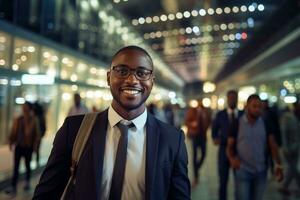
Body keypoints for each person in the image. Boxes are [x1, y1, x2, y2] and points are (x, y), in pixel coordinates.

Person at [33, 46, 190, 200]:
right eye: (122, 71)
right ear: (108, 77)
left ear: (152, 82)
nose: (132, 80)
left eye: (142, 73)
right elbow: (46, 194)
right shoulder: (74, 130)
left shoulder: (172, 139)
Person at [227, 94, 283, 200]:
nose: (258, 109)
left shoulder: (265, 122)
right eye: (254, 106)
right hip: (243, 170)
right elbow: (229, 146)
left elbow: (272, 144)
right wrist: (232, 159)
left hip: (261, 171)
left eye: (260, 107)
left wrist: (278, 164)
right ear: (247, 106)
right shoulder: (237, 123)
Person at [211, 90, 243, 200]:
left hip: (239, 153)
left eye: (234, 98)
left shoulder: (243, 115)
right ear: (227, 99)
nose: (232, 100)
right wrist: (216, 139)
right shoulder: (220, 114)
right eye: (230, 98)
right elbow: (214, 131)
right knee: (223, 182)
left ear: (237, 99)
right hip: (223, 152)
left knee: (239, 182)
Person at [6, 101, 40, 195]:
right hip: (19, 146)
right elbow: (14, 131)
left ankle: (27, 182)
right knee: (16, 167)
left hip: (28, 147)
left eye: (25, 107)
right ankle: (13, 186)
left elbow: (37, 135)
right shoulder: (18, 119)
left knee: (27, 165)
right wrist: (11, 141)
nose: (24, 109)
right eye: (23, 107)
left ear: (29, 108)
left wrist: (35, 146)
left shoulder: (34, 120)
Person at [277, 102, 300, 196]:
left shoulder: (296, 117)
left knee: (292, 168)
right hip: (289, 148)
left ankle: (284, 186)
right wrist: (285, 147)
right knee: (293, 168)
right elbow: (284, 133)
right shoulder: (287, 118)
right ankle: (284, 186)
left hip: (296, 147)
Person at [184, 101, 207, 187]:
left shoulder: (205, 112)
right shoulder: (192, 111)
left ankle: (197, 167)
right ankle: (196, 177)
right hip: (195, 136)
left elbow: (208, 121)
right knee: (194, 156)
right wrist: (192, 124)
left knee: (204, 154)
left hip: (203, 136)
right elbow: (186, 121)